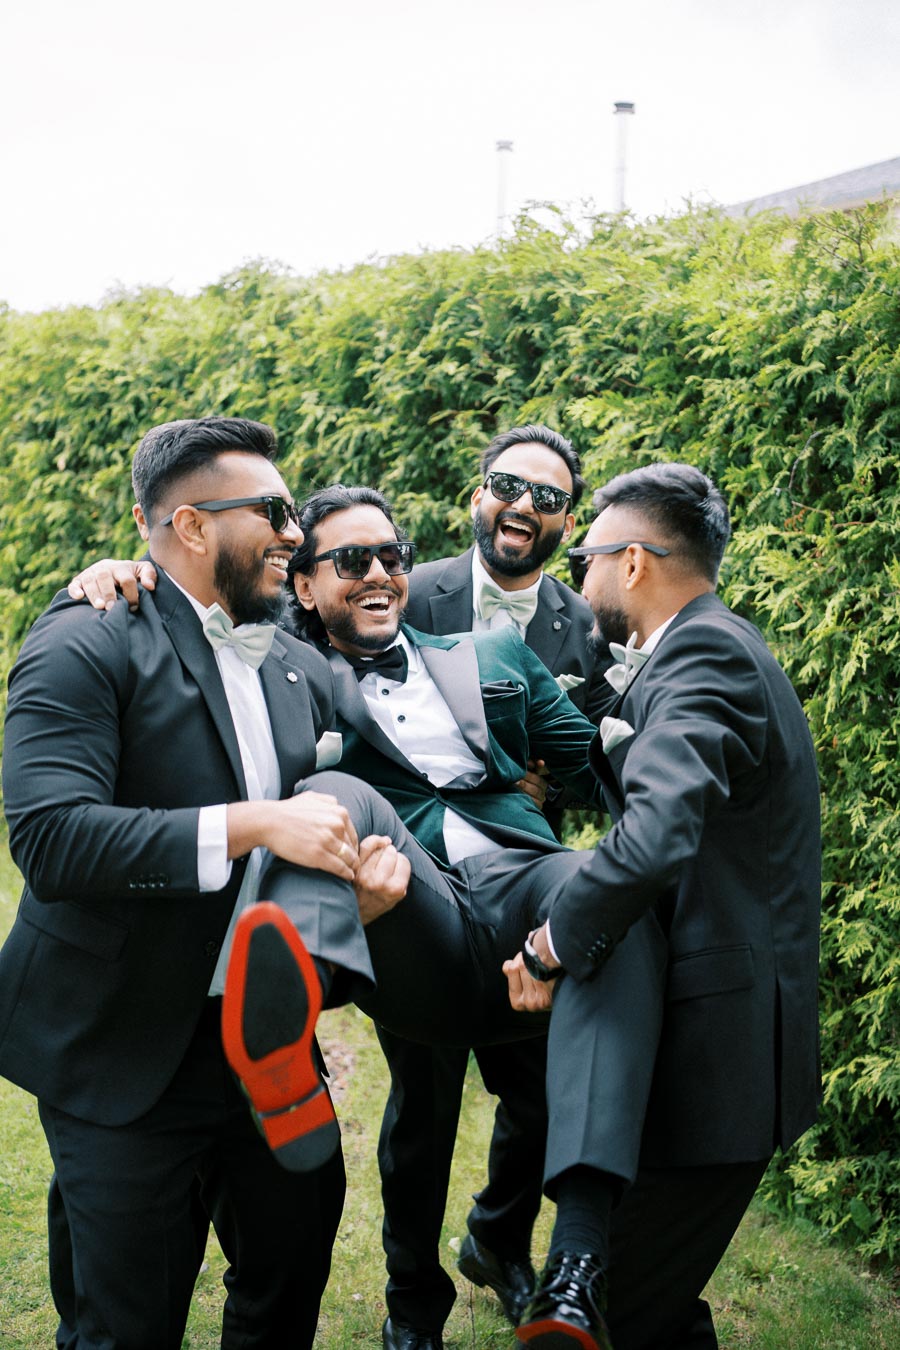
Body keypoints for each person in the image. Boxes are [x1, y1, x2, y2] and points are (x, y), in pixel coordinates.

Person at [66, 482, 666, 1350]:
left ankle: (573, 1274)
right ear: (303, 585)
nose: (380, 573)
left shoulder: (493, 650)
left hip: (524, 889)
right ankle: (281, 1014)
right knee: (331, 792)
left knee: (605, 881)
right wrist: (131, 575)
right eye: (351, 561)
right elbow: (196, 627)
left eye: (392, 557)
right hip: (406, 911)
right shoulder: (291, 672)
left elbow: (607, 771)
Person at [0, 417, 366, 1349]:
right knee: (126, 1320)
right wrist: (253, 824)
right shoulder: (87, 639)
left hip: (266, 1038)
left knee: (292, 1272)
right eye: (276, 511)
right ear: (193, 526)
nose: (297, 531)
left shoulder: (292, 658)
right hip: (119, 1040)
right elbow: (51, 840)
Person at [509, 462, 822, 1349]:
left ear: (635, 563)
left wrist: (549, 947)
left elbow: (654, 838)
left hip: (717, 1055)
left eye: (589, 560)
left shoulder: (706, 653)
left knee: (631, 1311)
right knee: (651, 1301)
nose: (582, 579)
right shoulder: (699, 649)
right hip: (695, 1036)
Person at [383, 423, 614, 1344]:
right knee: (424, 1109)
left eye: (548, 496)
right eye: (507, 484)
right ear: (478, 493)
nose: (522, 505)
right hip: (413, 894)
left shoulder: (586, 625)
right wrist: (132, 572)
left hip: (523, 892)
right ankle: (413, 1308)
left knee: (547, 1093)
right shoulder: (403, 586)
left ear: (567, 519)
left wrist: (546, 775)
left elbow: (594, 755)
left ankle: (497, 1239)